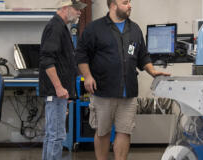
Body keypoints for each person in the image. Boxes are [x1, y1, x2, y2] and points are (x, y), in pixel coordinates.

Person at [75, 0, 170, 159]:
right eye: (125, 2)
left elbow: (142, 56)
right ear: (113, 5)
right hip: (103, 91)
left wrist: (152, 71)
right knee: (103, 132)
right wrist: (88, 77)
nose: (130, 5)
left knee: (125, 132)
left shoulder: (134, 29)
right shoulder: (95, 28)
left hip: (128, 92)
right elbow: (81, 55)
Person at [39, 0, 86, 159]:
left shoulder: (61, 27)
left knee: (52, 136)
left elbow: (63, 63)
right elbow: (47, 60)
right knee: (56, 136)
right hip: (56, 92)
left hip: (59, 93)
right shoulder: (55, 27)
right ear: (66, 8)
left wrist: (69, 92)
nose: (80, 12)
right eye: (77, 9)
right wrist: (59, 88)